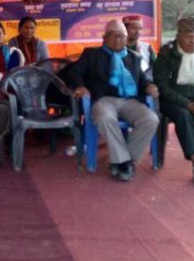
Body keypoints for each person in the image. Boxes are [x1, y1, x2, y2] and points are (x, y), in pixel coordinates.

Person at [66, 19, 159, 181]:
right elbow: (74, 73)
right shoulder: (92, 54)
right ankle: (124, 163)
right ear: (104, 38)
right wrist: (80, 86)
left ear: (126, 38)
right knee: (104, 117)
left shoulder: (134, 57)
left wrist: (149, 86)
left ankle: (123, 160)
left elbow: (142, 80)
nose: (118, 40)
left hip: (129, 101)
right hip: (103, 100)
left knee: (151, 119)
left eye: (121, 36)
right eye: (113, 36)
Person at [154, 16, 194, 185]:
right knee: (183, 115)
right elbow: (163, 87)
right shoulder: (166, 54)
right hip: (174, 102)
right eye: (189, 37)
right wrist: (188, 104)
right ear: (178, 36)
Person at [123, 15, 156, 80]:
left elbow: (156, 67)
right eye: (134, 28)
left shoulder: (147, 47)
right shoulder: (117, 48)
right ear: (125, 29)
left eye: (140, 28)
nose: (138, 31)